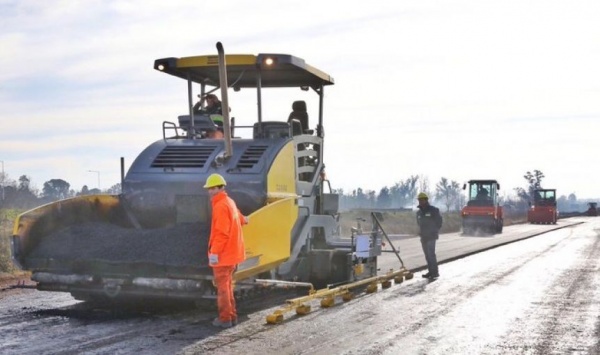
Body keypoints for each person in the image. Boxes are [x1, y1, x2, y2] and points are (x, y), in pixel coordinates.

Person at [204, 173, 248, 328]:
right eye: (208, 188)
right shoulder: (229, 202)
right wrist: (244, 220)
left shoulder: (220, 206)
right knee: (228, 287)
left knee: (223, 289)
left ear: (220, 188)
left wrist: (214, 253)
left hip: (224, 255)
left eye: (212, 188)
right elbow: (239, 217)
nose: (210, 191)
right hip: (233, 254)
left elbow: (222, 233)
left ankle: (225, 319)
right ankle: (232, 316)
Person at [416, 192, 443, 280]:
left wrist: (434, 230)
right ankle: (430, 271)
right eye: (419, 200)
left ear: (426, 200)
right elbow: (419, 223)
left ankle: (435, 272)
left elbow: (439, 222)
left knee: (431, 254)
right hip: (423, 237)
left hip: (431, 236)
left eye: (422, 200)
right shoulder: (419, 213)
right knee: (427, 255)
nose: (420, 201)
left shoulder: (433, 210)